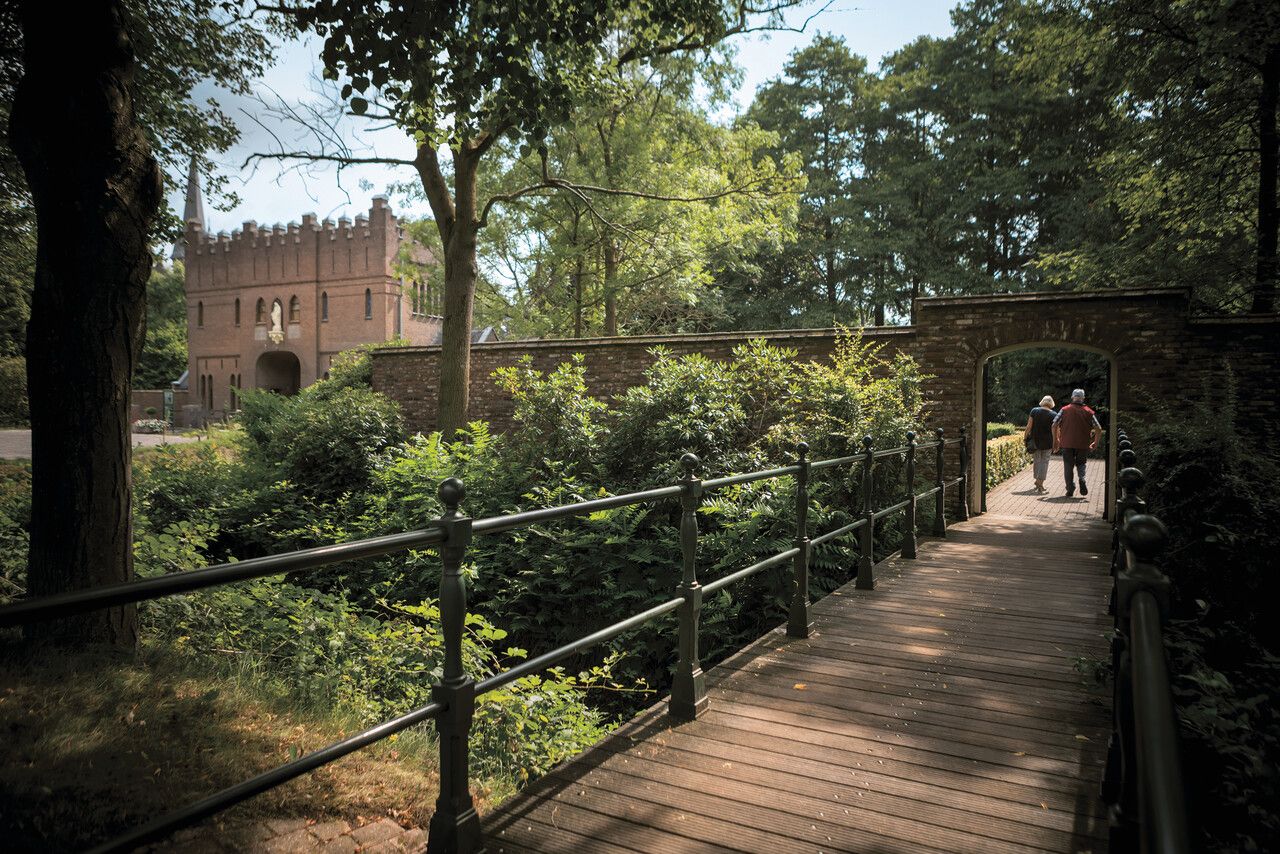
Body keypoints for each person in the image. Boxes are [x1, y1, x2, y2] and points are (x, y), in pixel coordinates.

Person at [1052, 388, 1102, 497]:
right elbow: (1098, 428)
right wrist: (1096, 442)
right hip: (1083, 444)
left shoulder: (1064, 410)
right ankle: (1082, 479)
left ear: (1072, 397)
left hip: (1067, 443)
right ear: (1083, 398)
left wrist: (1056, 440)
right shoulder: (1089, 412)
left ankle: (1070, 489)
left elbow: (1054, 424)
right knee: (1081, 463)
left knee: (1068, 466)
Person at [1023, 395, 1056, 493]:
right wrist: (1056, 442)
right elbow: (1056, 430)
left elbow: (1029, 426)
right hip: (1048, 442)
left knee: (1037, 461)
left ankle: (1038, 481)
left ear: (1042, 402)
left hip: (1035, 441)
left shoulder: (1034, 411)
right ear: (1051, 404)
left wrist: (1025, 437)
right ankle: (1040, 483)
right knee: (1044, 462)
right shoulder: (1054, 414)